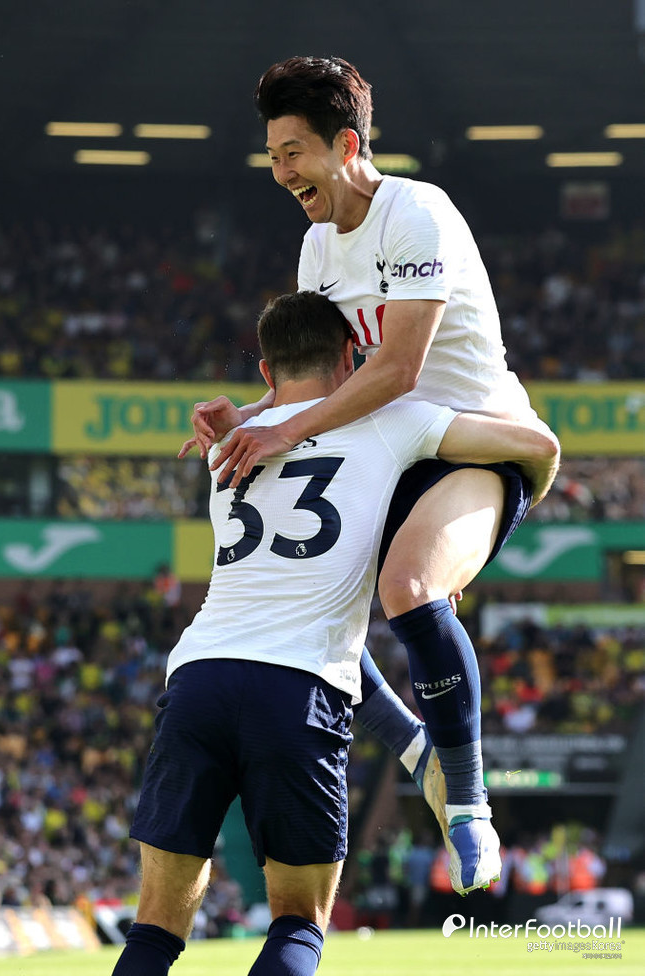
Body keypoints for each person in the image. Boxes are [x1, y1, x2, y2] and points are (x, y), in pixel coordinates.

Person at [180, 56, 560, 895]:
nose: (282, 173)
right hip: (386, 447)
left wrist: (288, 431)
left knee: (407, 586)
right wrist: (253, 413)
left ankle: (467, 800)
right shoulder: (318, 246)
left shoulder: (418, 214)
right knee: (308, 592)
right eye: (273, 156)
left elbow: (395, 369)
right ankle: (412, 745)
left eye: (293, 153)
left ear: (346, 145)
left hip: (475, 444)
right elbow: (321, 375)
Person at [116, 291, 559, 975]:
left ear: (266, 373)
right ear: (353, 357)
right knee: (298, 924)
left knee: (152, 932)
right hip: (298, 690)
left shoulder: (225, 447)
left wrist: (252, 412)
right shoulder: (392, 421)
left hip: (197, 677)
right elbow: (535, 447)